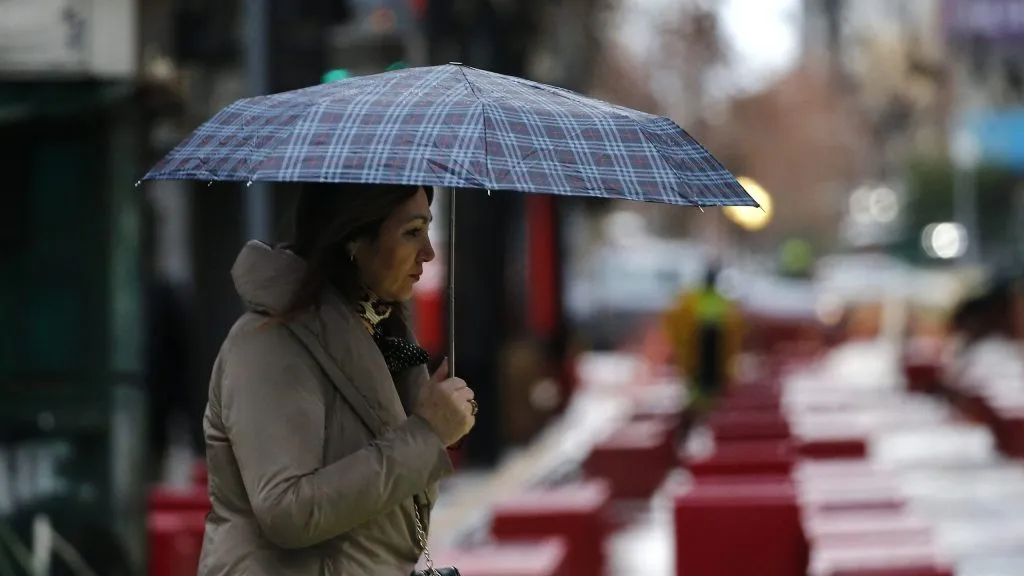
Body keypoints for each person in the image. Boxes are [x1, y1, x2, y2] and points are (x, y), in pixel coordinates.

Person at [199, 183, 476, 576]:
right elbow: (286, 509)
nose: (429, 253)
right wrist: (426, 434)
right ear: (352, 240)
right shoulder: (269, 345)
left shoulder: (385, 338)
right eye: (412, 232)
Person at [663, 264, 743, 446]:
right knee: (703, 390)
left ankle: (703, 421)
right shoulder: (712, 301)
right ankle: (701, 421)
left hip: (708, 355)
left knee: (702, 391)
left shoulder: (694, 300)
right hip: (704, 355)